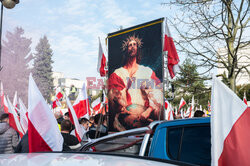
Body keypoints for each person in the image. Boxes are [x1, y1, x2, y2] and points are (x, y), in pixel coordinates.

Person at [108, 35, 163, 131]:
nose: (132, 46)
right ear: (126, 50)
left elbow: (158, 91)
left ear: (138, 49)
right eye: (130, 45)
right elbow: (114, 95)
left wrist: (149, 110)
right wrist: (122, 107)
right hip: (126, 117)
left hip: (146, 115)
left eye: (135, 44)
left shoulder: (146, 71)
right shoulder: (118, 73)